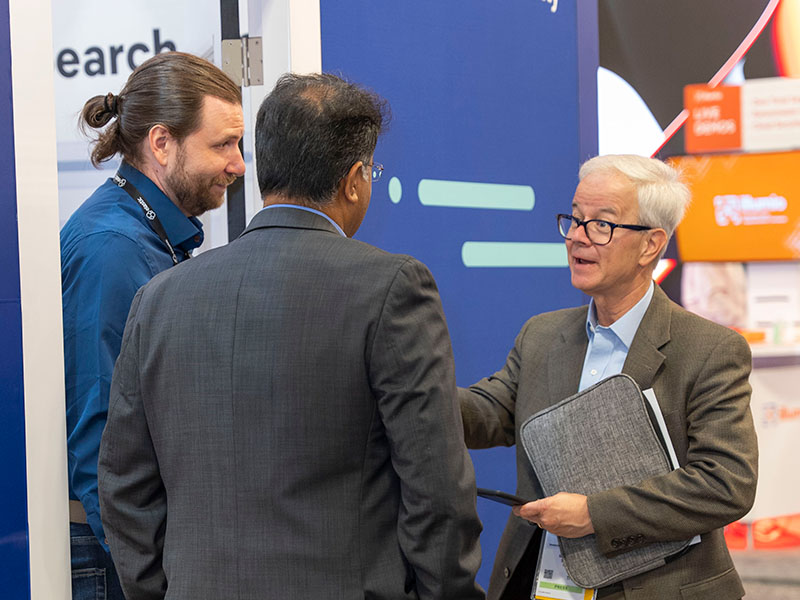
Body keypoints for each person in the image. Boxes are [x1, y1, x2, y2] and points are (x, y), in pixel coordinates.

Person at [98, 73, 484, 600]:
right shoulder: (392, 288)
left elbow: (125, 487)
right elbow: (436, 489)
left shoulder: (159, 298)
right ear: (355, 179)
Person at [460, 154, 758, 600]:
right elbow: (490, 413)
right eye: (575, 219)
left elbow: (725, 483)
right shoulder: (541, 335)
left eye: (601, 224)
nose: (578, 237)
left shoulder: (709, 349)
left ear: (650, 245)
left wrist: (595, 514)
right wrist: (413, 386)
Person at [60, 51, 244, 600]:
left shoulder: (151, 237)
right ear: (161, 143)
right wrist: (151, 581)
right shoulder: (112, 250)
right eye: (223, 145)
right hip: (112, 559)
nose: (238, 165)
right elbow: (100, 439)